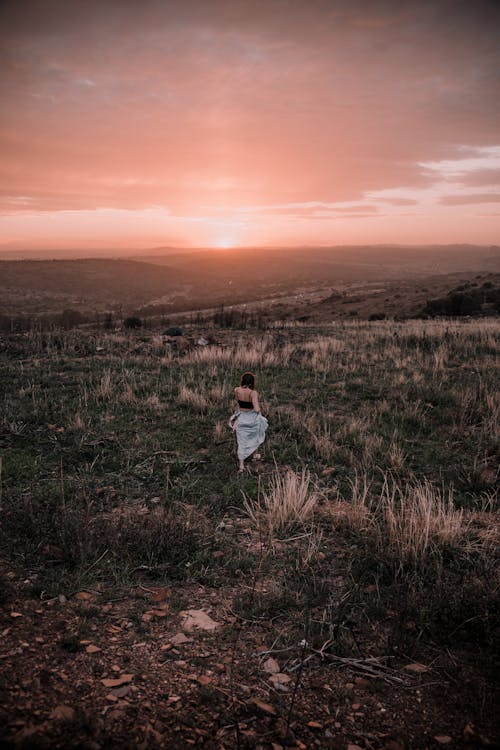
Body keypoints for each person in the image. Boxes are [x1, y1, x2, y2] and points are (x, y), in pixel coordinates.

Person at [229, 372, 268, 472]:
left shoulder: (237, 390)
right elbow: (256, 409)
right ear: (252, 382)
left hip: (242, 417)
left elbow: (239, 403)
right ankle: (255, 454)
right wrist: (260, 410)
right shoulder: (253, 393)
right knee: (256, 434)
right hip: (251, 417)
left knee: (241, 441)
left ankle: (241, 466)